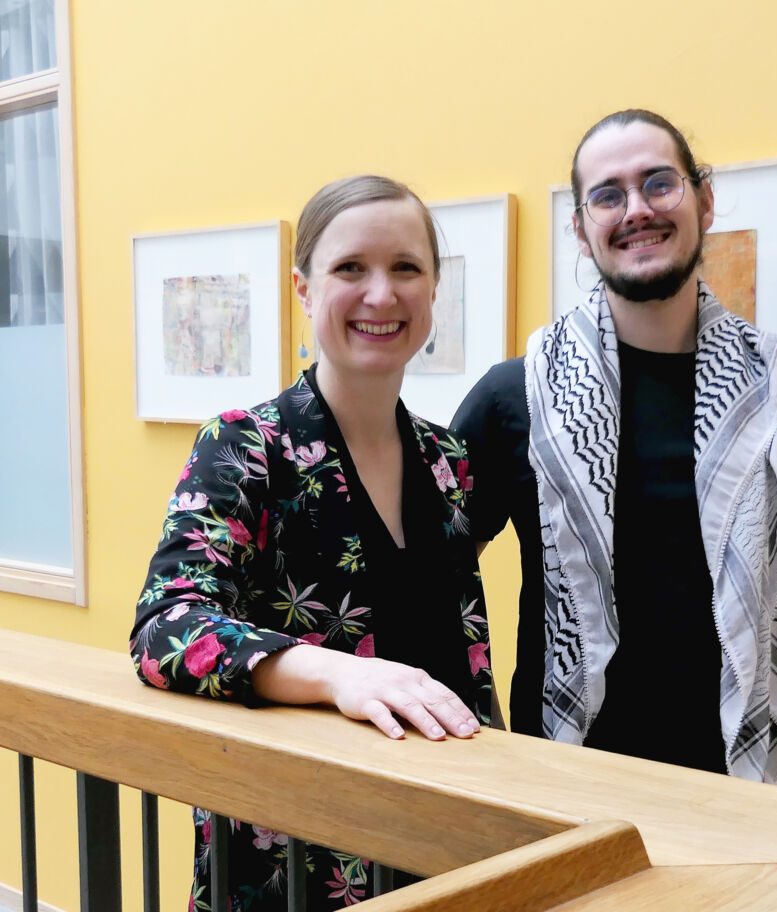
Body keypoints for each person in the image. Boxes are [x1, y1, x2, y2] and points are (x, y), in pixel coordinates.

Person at [452, 110, 777, 792]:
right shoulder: (516, 396)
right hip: (569, 779)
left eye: (659, 183)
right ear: (583, 230)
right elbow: (436, 578)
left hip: (750, 783)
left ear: (704, 202)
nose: (637, 210)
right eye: (609, 195)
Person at [130, 175, 492, 911]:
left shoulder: (448, 459)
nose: (381, 295)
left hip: (446, 845)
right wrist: (337, 676)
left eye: (406, 268)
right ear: (303, 288)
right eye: (350, 268)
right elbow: (166, 628)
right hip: (293, 867)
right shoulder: (246, 444)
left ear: (433, 289)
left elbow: (465, 658)